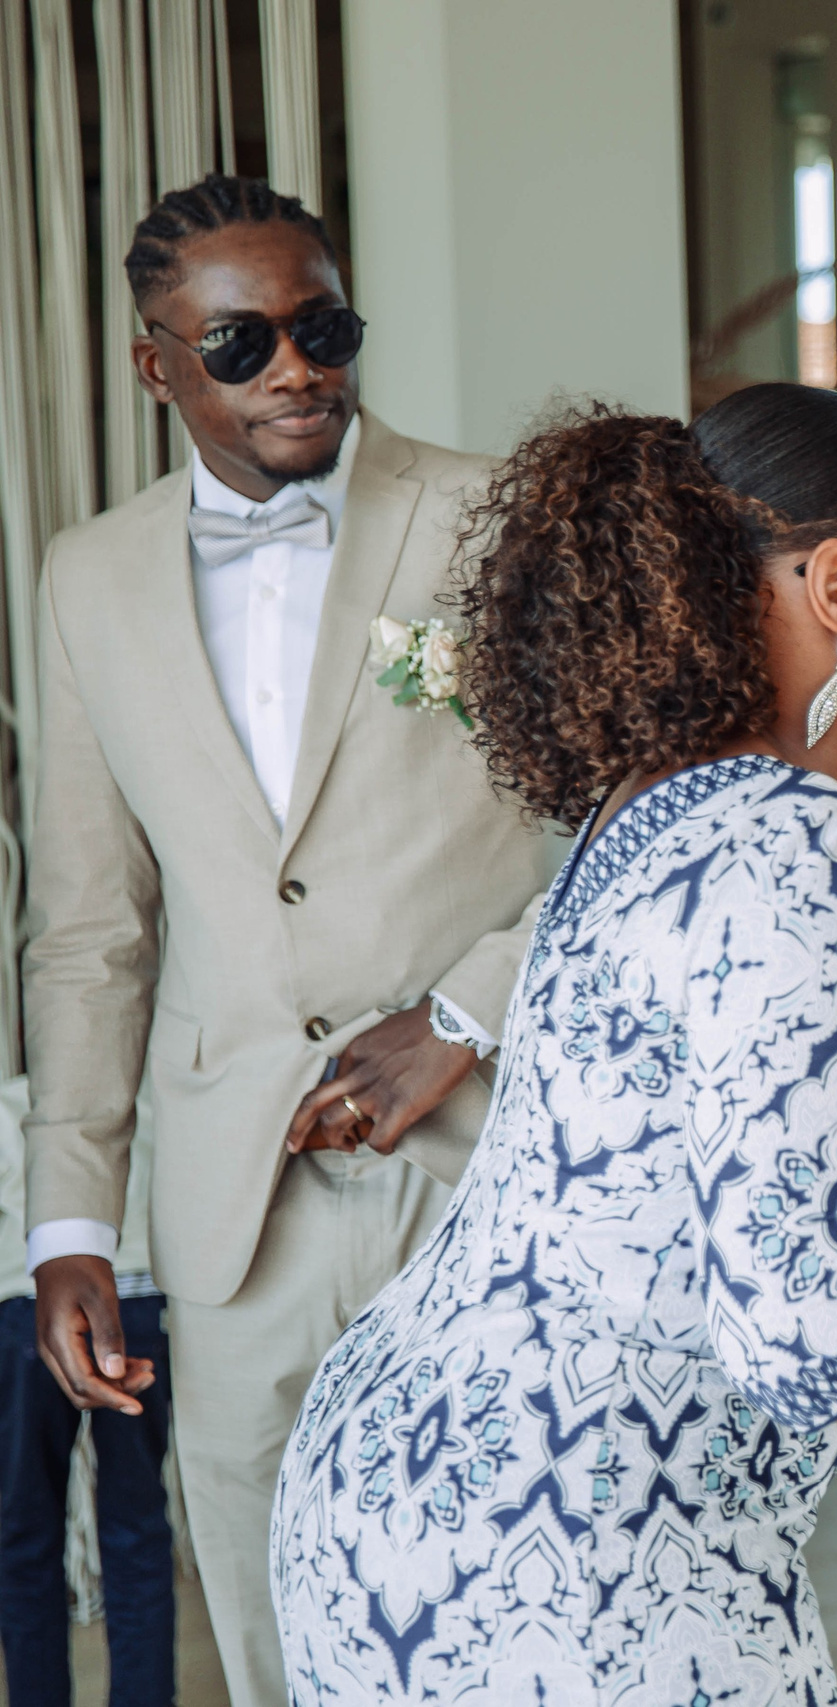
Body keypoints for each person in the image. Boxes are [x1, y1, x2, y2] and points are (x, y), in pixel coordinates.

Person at [269, 385, 837, 1704]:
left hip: (413, 1488)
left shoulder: (659, 800)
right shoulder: (809, 846)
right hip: (580, 1559)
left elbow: (710, 1123)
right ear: (836, 585)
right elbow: (827, 1345)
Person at [22, 174, 559, 1707]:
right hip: (231, 1199)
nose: (299, 368)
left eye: (322, 326)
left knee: (508, 1598)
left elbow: (628, 824)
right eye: (244, 342)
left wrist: (464, 1013)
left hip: (486, 1164)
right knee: (273, 1629)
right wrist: (71, 1223)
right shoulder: (87, 579)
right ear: (158, 364)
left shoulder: (494, 517)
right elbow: (86, 929)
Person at [2, 1082, 173, 1707]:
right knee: (135, 1525)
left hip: (35, 1292)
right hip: (127, 1283)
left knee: (27, 1533)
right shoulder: (140, 1072)